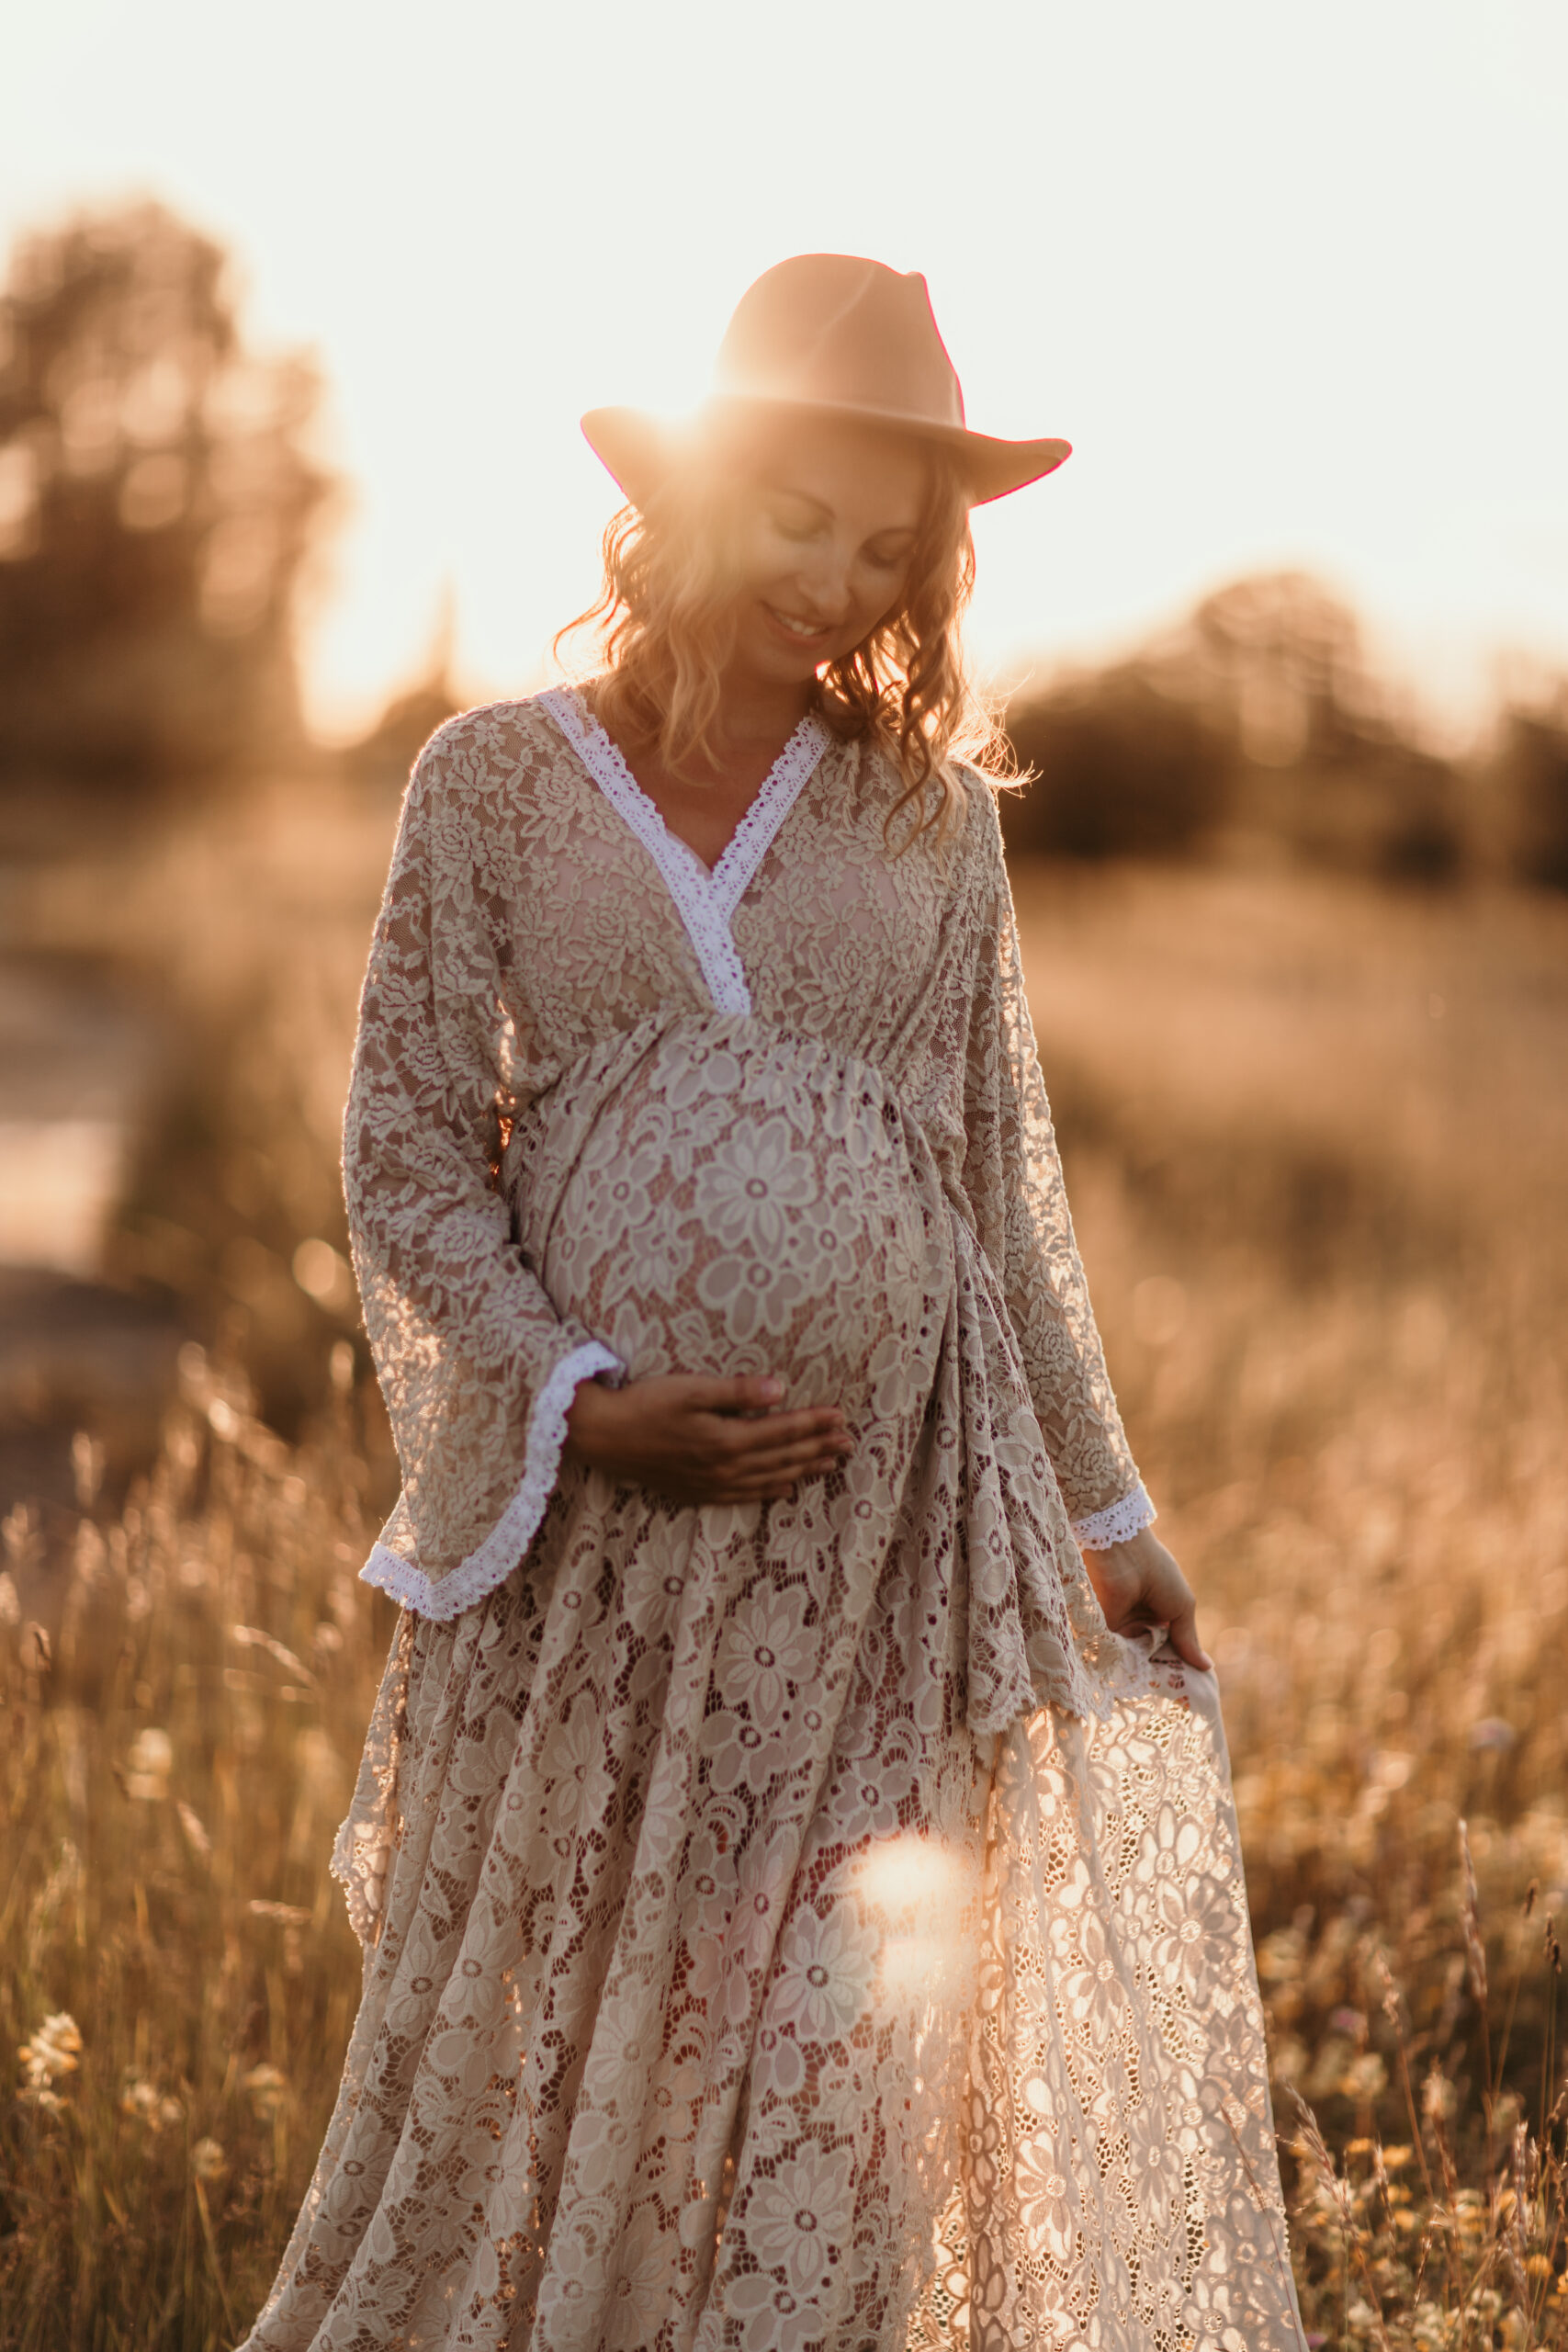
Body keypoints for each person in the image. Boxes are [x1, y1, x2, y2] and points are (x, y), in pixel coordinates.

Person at [243, 254, 1305, 2352]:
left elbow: (998, 1189)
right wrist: (573, 1399)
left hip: (871, 1554)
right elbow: (406, 1150)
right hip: (591, 1550)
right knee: (563, 2035)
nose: (835, 575)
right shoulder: (494, 782)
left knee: (829, 2052)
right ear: (697, 489)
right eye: (798, 515)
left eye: (887, 545)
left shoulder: (927, 823)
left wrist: (1110, 1521)